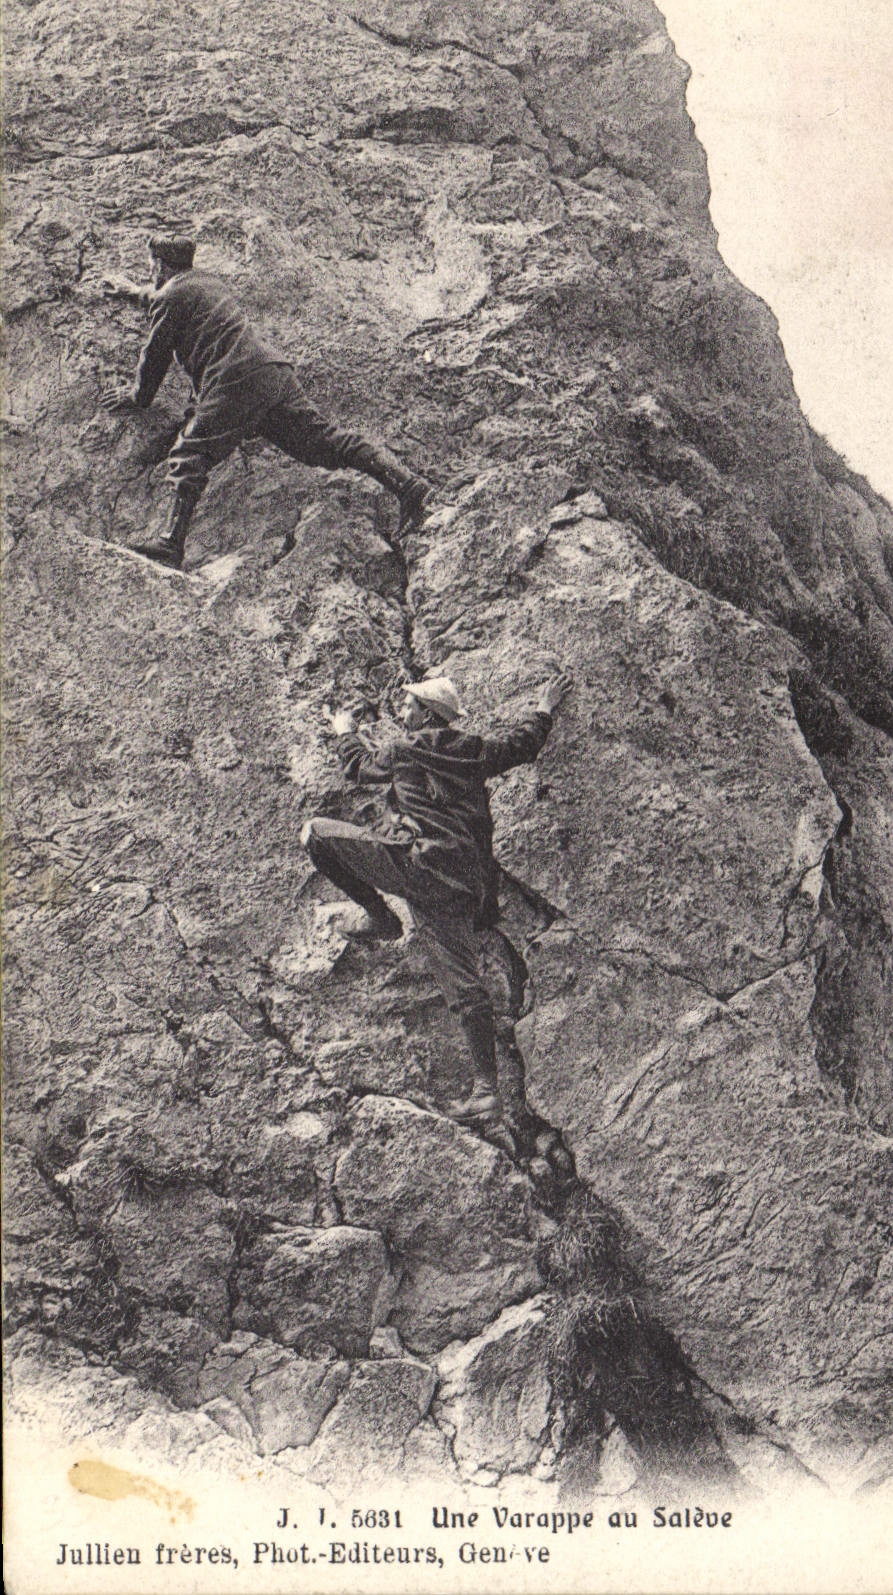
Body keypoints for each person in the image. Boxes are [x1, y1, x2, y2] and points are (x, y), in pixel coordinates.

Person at [302, 672, 573, 1122]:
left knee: (315, 833)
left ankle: (379, 917)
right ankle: (487, 1091)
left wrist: (345, 731)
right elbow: (519, 745)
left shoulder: (405, 750)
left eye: (407, 707)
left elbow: (359, 767)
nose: (402, 713)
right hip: (462, 885)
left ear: (426, 715)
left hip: (418, 867)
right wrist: (544, 709)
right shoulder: (472, 750)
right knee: (464, 986)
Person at [98, 235, 434, 569]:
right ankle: (409, 486)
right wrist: (131, 292)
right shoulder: (208, 283)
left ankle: (171, 543)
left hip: (235, 380)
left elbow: (154, 355)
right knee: (325, 443)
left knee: (189, 453)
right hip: (273, 374)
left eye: (152, 267)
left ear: (159, 265)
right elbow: (164, 298)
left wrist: (137, 396)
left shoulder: (171, 296)